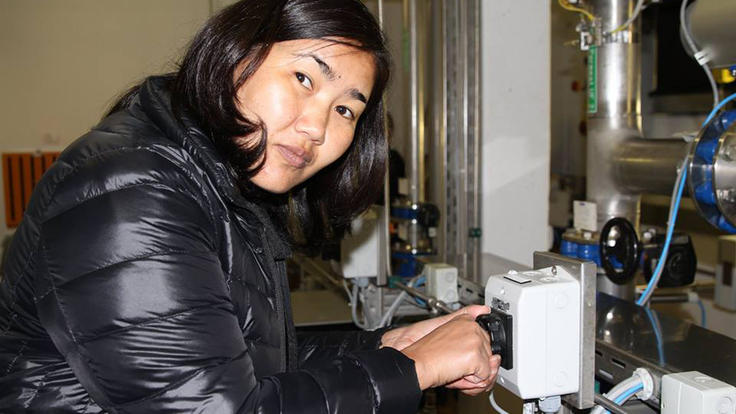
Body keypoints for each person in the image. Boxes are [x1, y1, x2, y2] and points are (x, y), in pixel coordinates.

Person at [0, 1, 500, 412]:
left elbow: (244, 365)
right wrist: (415, 369)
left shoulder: (221, 187)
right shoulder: (134, 188)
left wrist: (386, 348)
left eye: (345, 109)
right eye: (304, 79)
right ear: (235, 54)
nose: (317, 127)